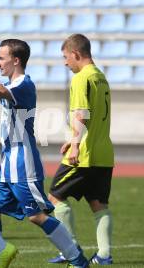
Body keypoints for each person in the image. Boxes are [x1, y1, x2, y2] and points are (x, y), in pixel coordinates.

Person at [0, 39, 89, 268]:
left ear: (16, 60)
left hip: (23, 164)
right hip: (7, 164)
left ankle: (76, 258)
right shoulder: (11, 84)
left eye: (1, 59)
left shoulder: (24, 85)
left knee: (36, 216)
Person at [47, 33, 114, 265]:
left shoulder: (81, 78)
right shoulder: (100, 77)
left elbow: (81, 113)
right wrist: (73, 138)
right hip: (104, 153)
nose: (65, 62)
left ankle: (70, 248)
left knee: (54, 197)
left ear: (76, 54)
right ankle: (104, 255)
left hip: (84, 154)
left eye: (66, 57)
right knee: (98, 205)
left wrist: (75, 144)